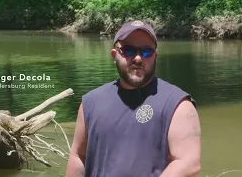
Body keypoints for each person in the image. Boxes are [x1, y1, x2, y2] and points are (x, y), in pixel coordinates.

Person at [65, 20, 201, 177]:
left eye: (146, 51)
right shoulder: (91, 103)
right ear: (114, 55)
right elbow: (78, 157)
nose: (138, 58)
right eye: (129, 50)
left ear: (155, 56)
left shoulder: (178, 104)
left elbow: (188, 163)